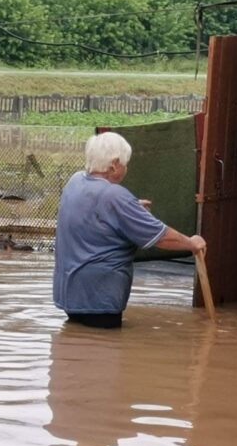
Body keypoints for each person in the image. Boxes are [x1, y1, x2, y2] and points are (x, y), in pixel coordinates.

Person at [53, 132, 206, 328]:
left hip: (69, 294)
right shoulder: (115, 196)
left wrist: (131, 208)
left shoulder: (75, 182)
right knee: (104, 351)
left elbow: (93, 212)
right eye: (125, 163)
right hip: (99, 296)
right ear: (114, 164)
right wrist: (192, 243)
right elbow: (161, 237)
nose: (126, 168)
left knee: (77, 346)